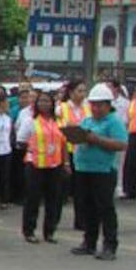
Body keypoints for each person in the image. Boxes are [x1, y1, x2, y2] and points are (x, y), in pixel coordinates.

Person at [71, 83, 129, 261]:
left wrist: (96, 140)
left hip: (103, 171)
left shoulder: (113, 122)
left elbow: (121, 144)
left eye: (99, 105)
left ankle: (110, 245)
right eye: (93, 104)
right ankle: (89, 242)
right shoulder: (87, 120)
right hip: (84, 168)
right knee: (88, 207)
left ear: (108, 105)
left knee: (105, 208)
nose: (95, 108)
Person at [18, 92, 69, 244]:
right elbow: (21, 140)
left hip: (54, 165)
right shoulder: (30, 121)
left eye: (47, 101)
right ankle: (29, 231)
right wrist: (34, 150)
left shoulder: (58, 121)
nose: (44, 104)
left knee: (53, 199)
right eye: (41, 101)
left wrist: (66, 163)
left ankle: (50, 231)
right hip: (35, 164)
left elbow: (63, 143)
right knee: (33, 199)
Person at [57, 81, 90, 229]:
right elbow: (57, 127)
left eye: (84, 91)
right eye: (79, 91)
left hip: (83, 150)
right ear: (71, 93)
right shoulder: (61, 108)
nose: (82, 94)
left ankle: (82, 221)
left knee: (82, 188)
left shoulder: (88, 108)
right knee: (63, 187)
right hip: (67, 150)